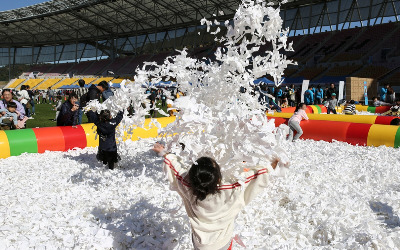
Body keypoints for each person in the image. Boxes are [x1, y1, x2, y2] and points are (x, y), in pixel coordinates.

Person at [152, 143, 286, 250]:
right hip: (222, 242)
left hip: (200, 244)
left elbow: (175, 167)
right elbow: (254, 175)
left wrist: (164, 152)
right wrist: (272, 165)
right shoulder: (231, 189)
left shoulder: (187, 186)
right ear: (218, 179)